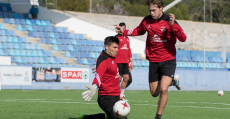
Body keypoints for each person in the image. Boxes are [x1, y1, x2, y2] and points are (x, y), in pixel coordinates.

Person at [114, 0, 186, 119]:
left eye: (154, 10)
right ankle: (173, 81)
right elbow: (138, 30)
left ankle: (158, 116)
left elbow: (183, 38)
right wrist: (124, 32)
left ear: (161, 8)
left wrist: (174, 26)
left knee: (163, 89)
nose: (152, 13)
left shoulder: (170, 21)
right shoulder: (147, 20)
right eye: (150, 10)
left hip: (168, 59)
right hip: (153, 60)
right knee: (154, 93)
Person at [79, 36, 127, 119]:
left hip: (116, 96)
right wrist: (95, 86)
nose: (117, 50)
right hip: (106, 97)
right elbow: (98, 76)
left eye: (117, 47)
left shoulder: (113, 57)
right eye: (114, 47)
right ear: (107, 47)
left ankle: (86, 118)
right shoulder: (103, 60)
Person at [115, 22, 133, 100]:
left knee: (126, 78)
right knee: (118, 79)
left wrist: (131, 61)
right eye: (121, 28)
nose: (123, 30)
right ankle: (115, 94)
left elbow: (129, 50)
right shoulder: (116, 38)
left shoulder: (128, 38)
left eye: (124, 28)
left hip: (126, 62)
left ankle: (121, 95)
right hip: (118, 61)